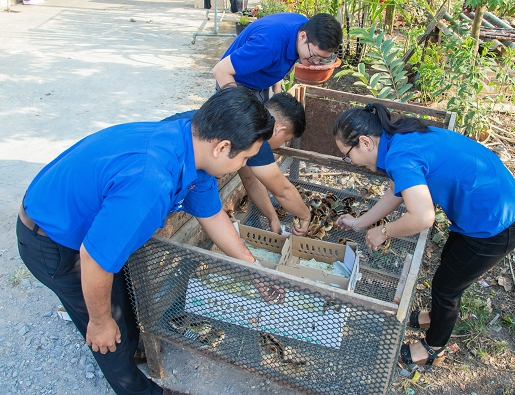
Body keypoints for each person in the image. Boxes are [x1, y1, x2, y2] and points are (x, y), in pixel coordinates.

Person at [16, 87, 279, 395]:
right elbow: (94, 258)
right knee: (106, 328)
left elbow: (212, 216)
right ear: (222, 147)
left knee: (120, 306)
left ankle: (129, 343)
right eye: (245, 157)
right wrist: (100, 323)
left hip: (80, 225)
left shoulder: (192, 142)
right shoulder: (151, 181)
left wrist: (253, 269)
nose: (243, 165)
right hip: (53, 243)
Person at [333, 103, 515, 366]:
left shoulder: (401, 157)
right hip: (483, 209)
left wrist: (384, 230)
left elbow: (423, 218)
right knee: (448, 267)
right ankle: (435, 317)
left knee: (447, 287)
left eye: (347, 155)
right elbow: (395, 192)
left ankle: (432, 348)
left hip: (496, 222)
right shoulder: (397, 139)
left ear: (365, 142)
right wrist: (359, 223)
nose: (350, 161)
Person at [162, 92, 311, 236]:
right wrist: (305, 216)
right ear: (278, 129)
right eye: (285, 140)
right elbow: (283, 191)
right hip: (165, 164)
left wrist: (272, 217)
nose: (281, 145)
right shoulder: (256, 134)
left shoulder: (244, 120)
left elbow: (250, 180)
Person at [212, 12, 343, 102]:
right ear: (303, 36)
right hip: (235, 84)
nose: (315, 63)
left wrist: (277, 91)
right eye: (314, 56)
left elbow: (281, 58)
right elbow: (220, 71)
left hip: (260, 83)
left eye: (321, 60)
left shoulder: (304, 28)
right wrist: (240, 107)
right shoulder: (267, 45)